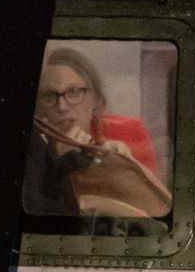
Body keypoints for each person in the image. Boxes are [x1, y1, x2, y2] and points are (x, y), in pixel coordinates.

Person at [27, 45, 168, 219]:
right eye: (49, 96)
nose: (62, 107)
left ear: (96, 99)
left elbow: (159, 206)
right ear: (38, 109)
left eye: (74, 92)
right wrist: (56, 165)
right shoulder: (35, 150)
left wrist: (126, 163)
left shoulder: (127, 131)